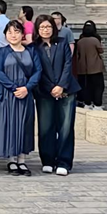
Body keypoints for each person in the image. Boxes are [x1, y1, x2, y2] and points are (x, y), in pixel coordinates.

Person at [0, 20, 41, 176]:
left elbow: (37, 71)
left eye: (16, 32)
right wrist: (13, 88)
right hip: (8, 94)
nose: (13, 35)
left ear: (22, 34)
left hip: (26, 94)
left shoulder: (31, 51)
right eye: (10, 32)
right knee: (10, 125)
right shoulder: (1, 52)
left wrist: (27, 88)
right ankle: (11, 159)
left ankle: (22, 160)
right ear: (5, 35)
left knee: (24, 125)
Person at [32, 14, 80, 176]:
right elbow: (37, 70)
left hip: (66, 90)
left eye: (48, 27)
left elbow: (68, 64)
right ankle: (47, 160)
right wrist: (51, 87)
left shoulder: (62, 42)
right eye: (42, 27)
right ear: (37, 29)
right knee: (46, 127)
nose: (45, 30)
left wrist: (61, 85)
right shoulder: (34, 47)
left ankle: (64, 162)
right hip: (44, 92)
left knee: (65, 127)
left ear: (53, 28)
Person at [74, 21, 106, 110]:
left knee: (86, 86)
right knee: (98, 86)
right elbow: (101, 51)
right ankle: (97, 104)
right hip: (95, 67)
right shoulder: (95, 40)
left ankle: (87, 103)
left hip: (83, 68)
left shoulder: (80, 41)